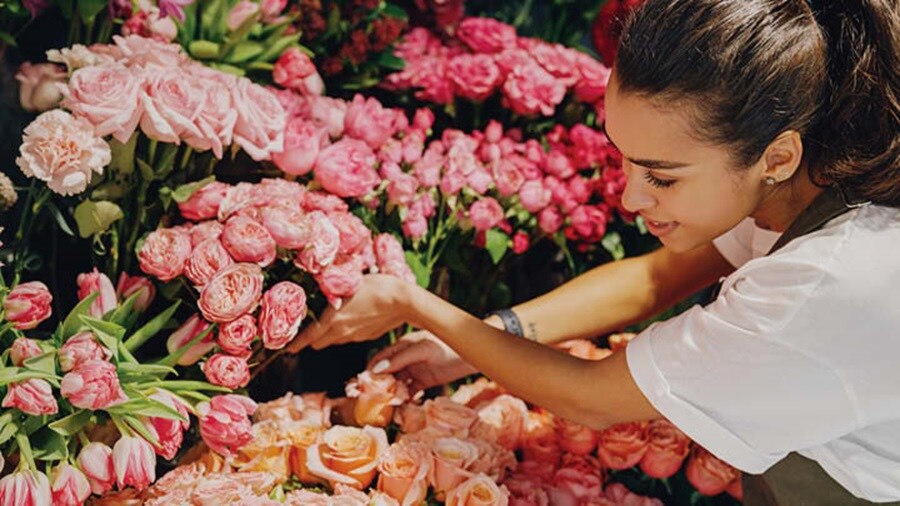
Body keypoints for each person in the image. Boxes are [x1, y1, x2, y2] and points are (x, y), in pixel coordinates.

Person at [287, 0, 900, 502]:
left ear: (778, 156)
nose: (632, 197)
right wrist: (485, 335)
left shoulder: (825, 284)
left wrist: (412, 303)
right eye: (624, 159)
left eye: (662, 176)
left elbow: (591, 397)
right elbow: (655, 279)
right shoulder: (814, 172)